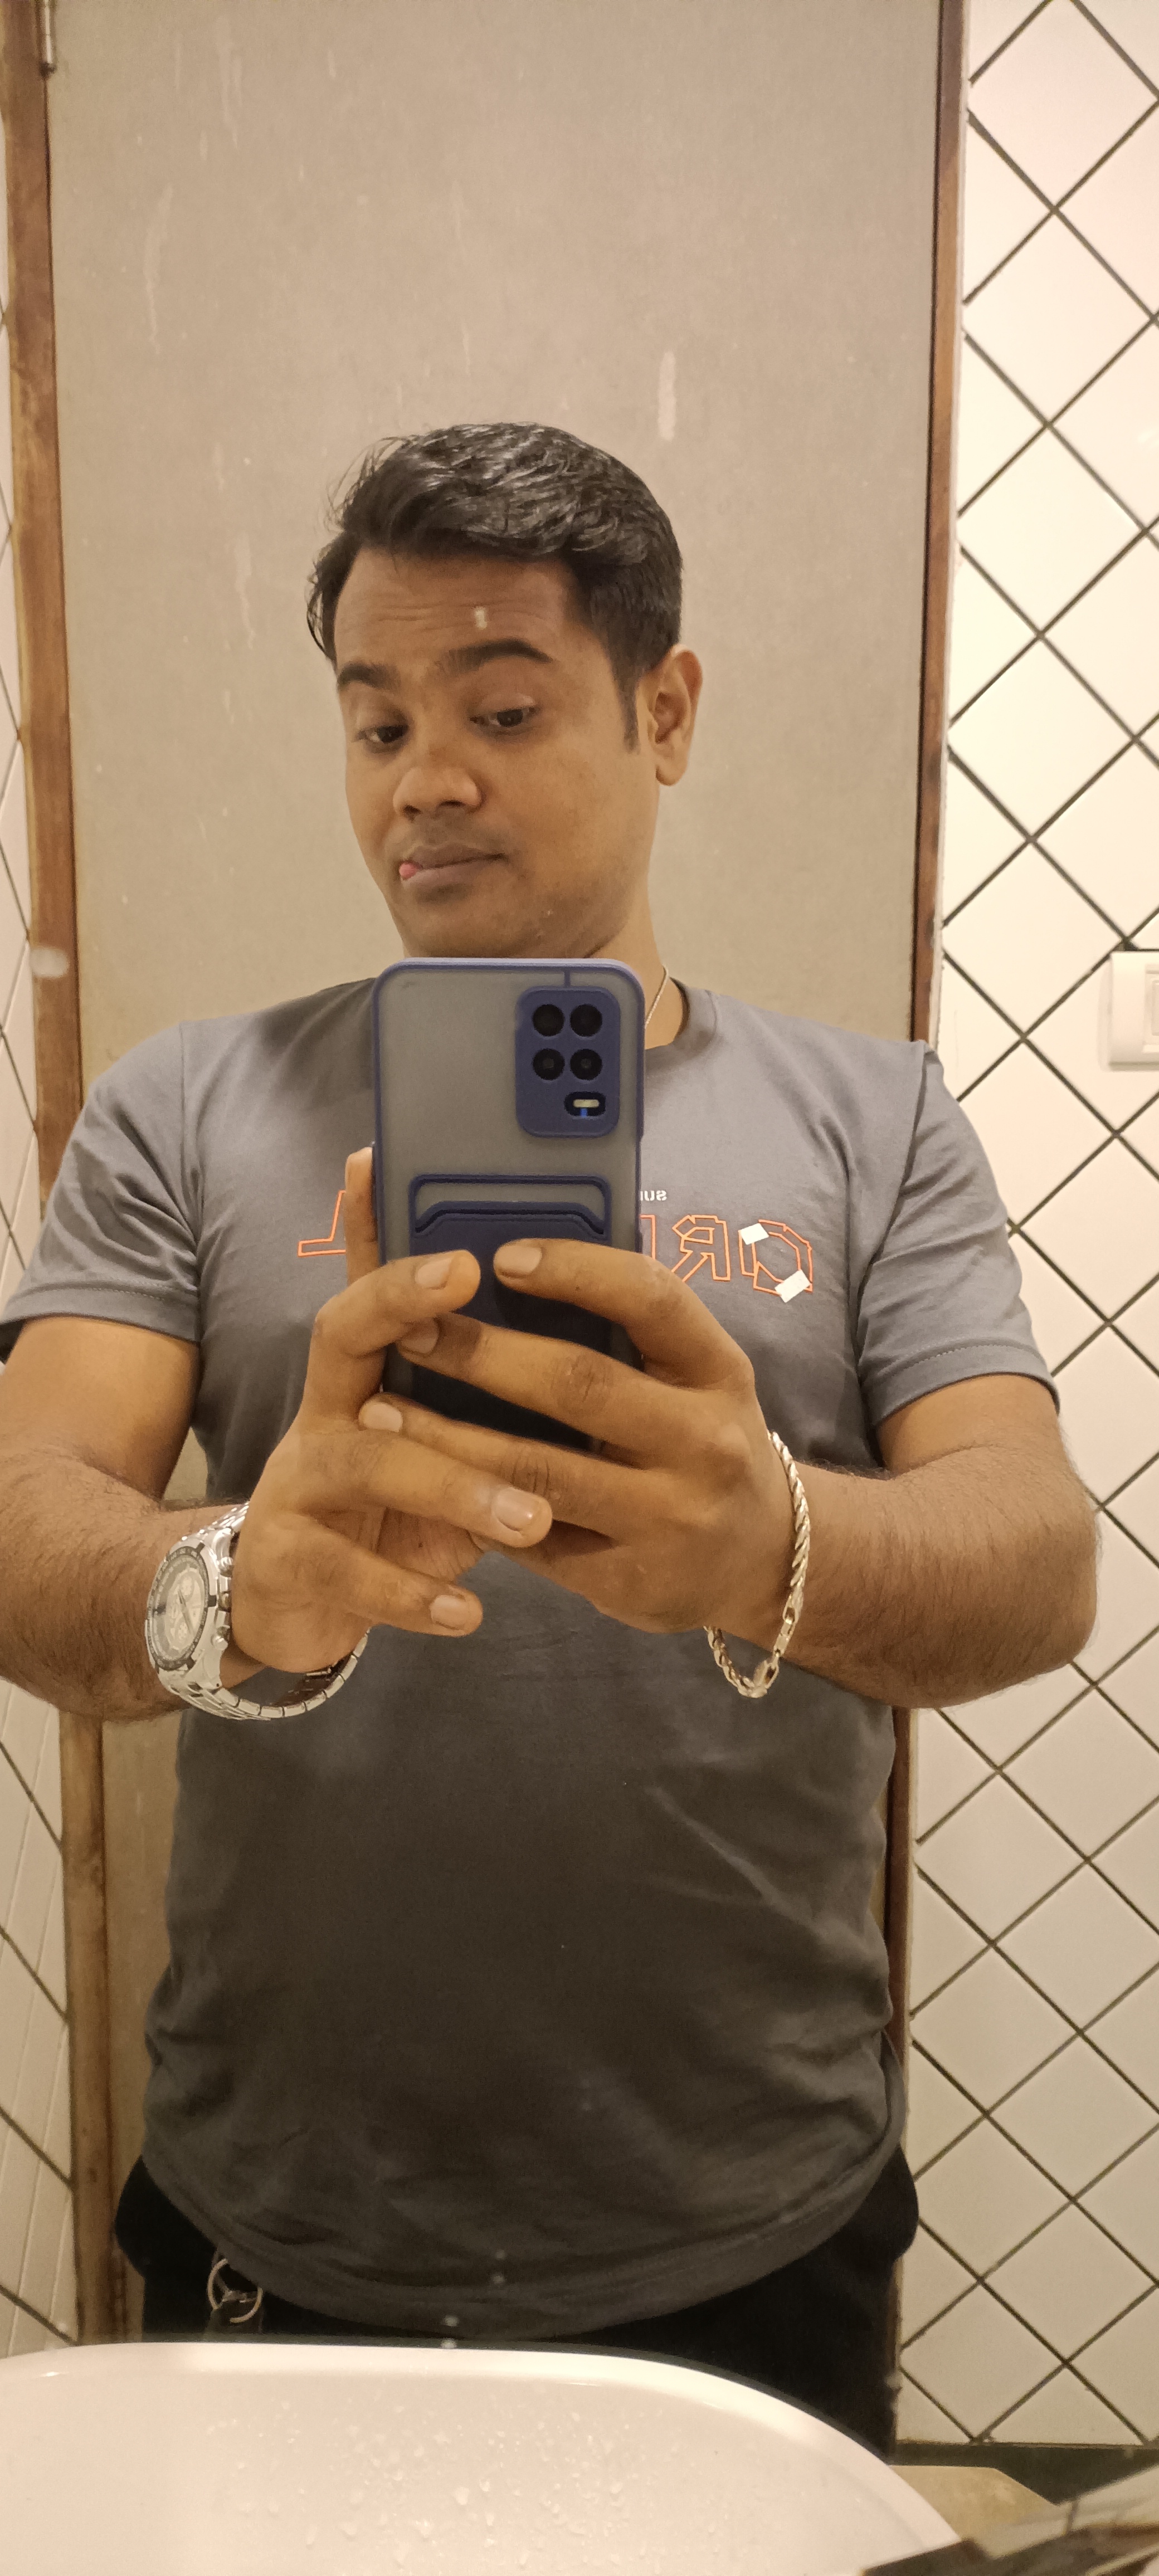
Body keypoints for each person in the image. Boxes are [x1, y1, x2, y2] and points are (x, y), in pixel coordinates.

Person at [0, 423, 1094, 2451]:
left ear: (663, 712)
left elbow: (1036, 1564)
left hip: (747, 2215)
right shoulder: (181, 1107)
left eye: (501, 709)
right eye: (378, 721)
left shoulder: (876, 1122)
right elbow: (22, 1523)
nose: (425, 777)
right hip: (289, 2208)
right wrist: (237, 1578)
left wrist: (770, 1544)